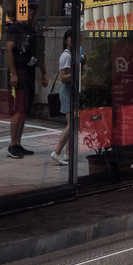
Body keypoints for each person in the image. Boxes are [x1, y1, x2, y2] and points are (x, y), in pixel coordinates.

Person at [5, 0, 48, 159]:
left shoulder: (36, 30)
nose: (31, 12)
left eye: (34, 9)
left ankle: (18, 143)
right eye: (29, 9)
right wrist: (13, 73)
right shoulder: (15, 28)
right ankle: (12, 144)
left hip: (30, 74)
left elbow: (40, 53)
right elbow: (8, 50)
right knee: (17, 110)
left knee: (24, 111)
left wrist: (43, 74)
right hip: (18, 74)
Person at [50, 29, 74, 166]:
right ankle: (57, 151)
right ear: (65, 40)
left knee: (73, 125)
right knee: (71, 125)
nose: (72, 40)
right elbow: (63, 77)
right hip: (66, 91)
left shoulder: (71, 55)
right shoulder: (66, 56)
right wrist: (75, 74)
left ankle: (67, 154)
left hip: (70, 91)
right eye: (70, 38)